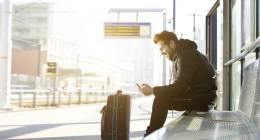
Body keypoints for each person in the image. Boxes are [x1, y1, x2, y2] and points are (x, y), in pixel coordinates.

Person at [138, 31, 217, 137]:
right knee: (162, 97)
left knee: (161, 100)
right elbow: (180, 86)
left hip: (201, 98)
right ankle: (150, 134)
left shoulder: (186, 56)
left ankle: (149, 136)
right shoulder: (183, 54)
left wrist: (153, 90)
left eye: (162, 48)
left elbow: (179, 86)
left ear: (171, 43)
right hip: (200, 95)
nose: (161, 52)